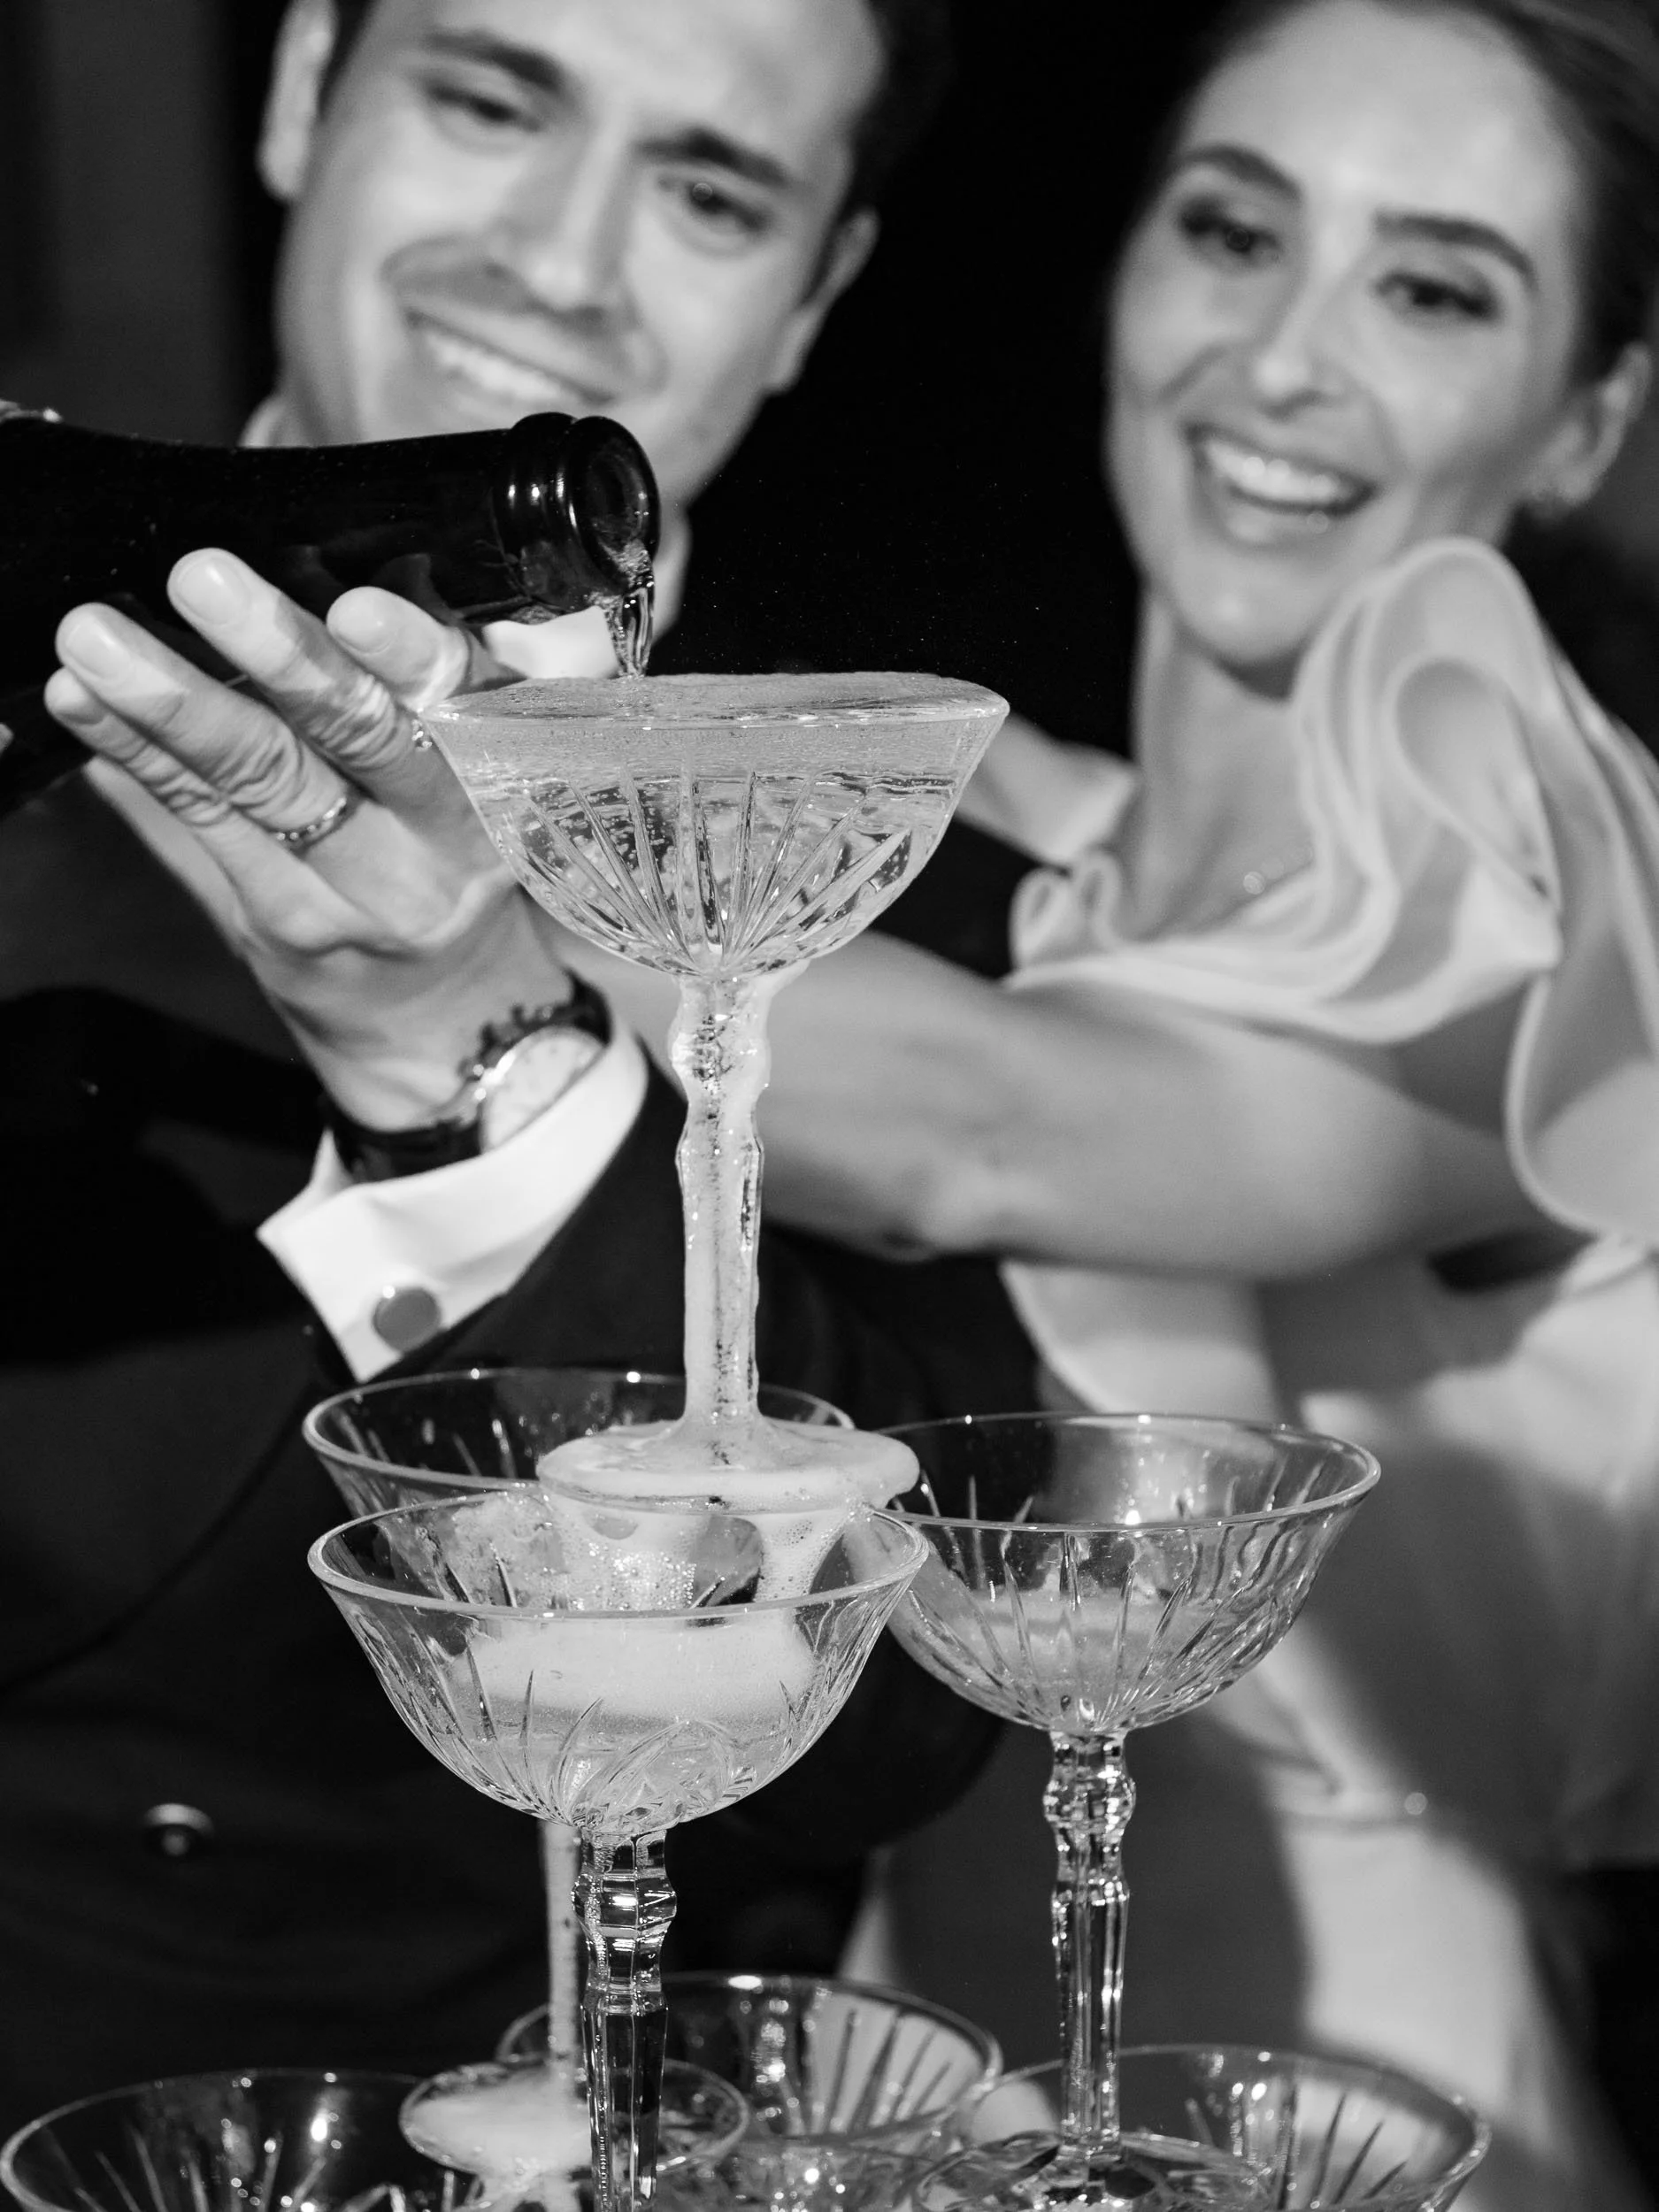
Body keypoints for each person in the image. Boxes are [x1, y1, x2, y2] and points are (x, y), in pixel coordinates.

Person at [0, 0, 1018, 2143]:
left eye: (709, 188)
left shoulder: (913, 879)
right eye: (489, 97)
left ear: (815, 290)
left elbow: (912, 1724)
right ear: (294, 91)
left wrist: (459, 1048)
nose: (562, 255)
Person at [705, 0, 1659, 2203]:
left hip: (1351, 2114)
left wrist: (403, 809)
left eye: (1429, 288)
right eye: (1235, 232)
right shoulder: (1032, 839)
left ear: (1580, 416)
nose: (1284, 361)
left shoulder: (1552, 934)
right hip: (926, 2085)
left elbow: (974, 1136)